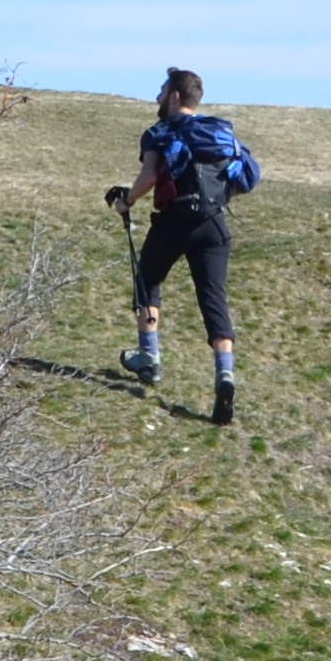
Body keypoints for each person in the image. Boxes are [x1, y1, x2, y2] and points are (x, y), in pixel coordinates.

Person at [107, 66, 250, 425]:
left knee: (148, 279)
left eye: (161, 91)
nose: (157, 97)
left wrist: (128, 201)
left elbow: (150, 175)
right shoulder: (218, 132)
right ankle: (225, 373)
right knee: (213, 297)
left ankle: (149, 359)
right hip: (213, 225)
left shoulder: (159, 132)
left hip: (174, 221)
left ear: (174, 96)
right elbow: (239, 180)